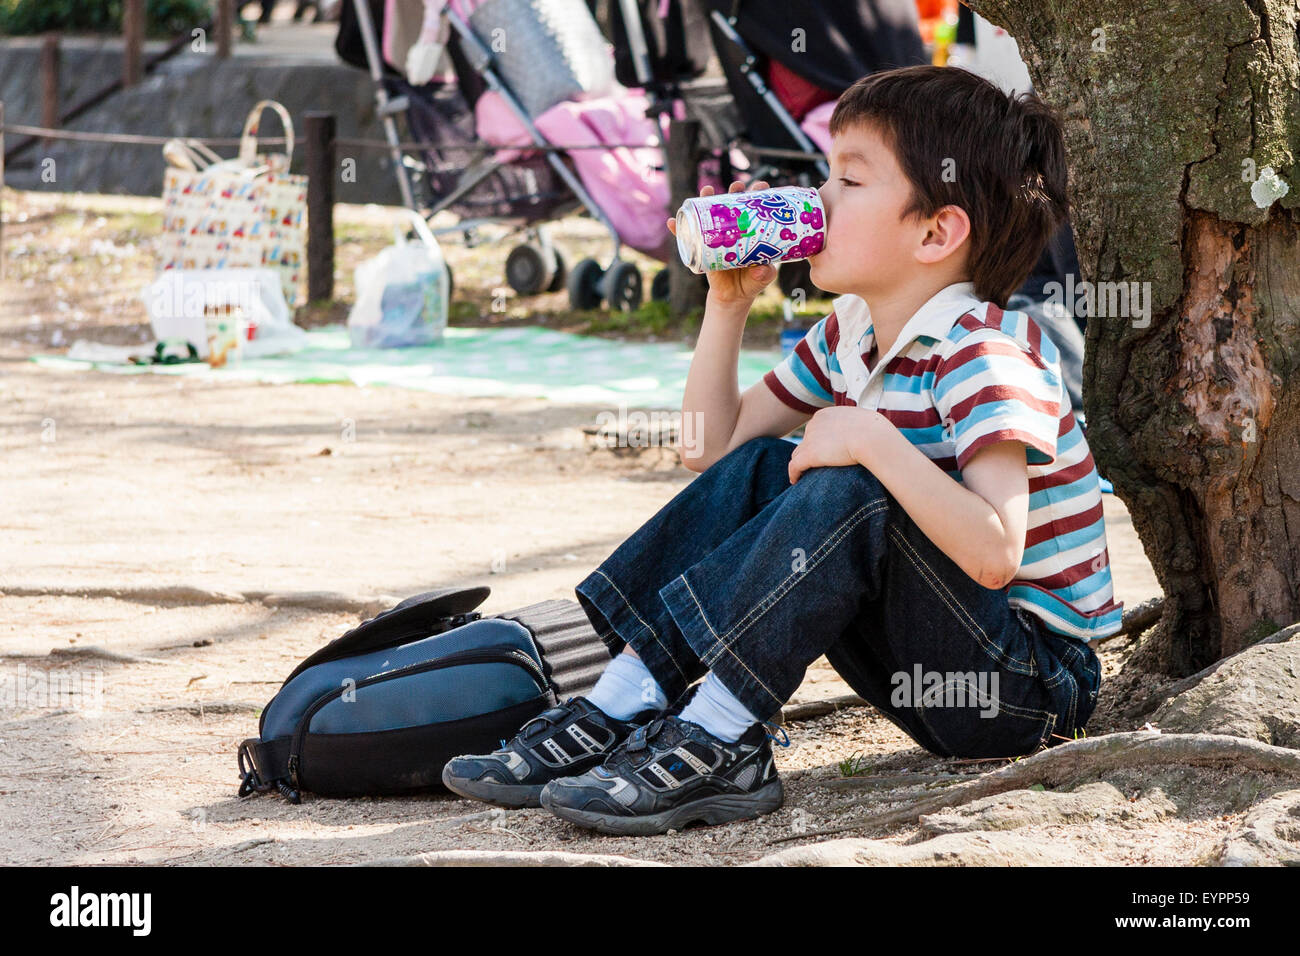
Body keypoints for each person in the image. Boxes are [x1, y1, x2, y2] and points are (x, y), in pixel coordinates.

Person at [443, 65, 1122, 836]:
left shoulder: (984, 354)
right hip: (923, 669)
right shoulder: (851, 332)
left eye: (848, 180)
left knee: (853, 484)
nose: (818, 199)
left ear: (937, 231)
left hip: (1026, 687)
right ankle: (624, 693)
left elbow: (998, 552)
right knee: (769, 466)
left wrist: (870, 440)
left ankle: (724, 731)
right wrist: (726, 307)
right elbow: (711, 448)